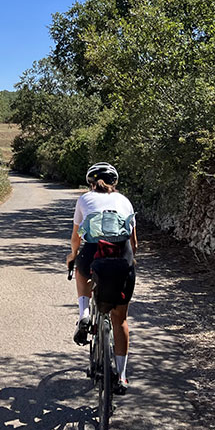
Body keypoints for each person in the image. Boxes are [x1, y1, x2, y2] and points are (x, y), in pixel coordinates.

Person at [65, 162, 137, 394]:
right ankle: (122, 376)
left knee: (81, 269)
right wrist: (127, 265)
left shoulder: (84, 199)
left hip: (93, 253)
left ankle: (84, 314)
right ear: (114, 183)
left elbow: (77, 237)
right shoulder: (125, 201)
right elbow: (134, 244)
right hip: (121, 257)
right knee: (120, 319)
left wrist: (72, 256)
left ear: (91, 182)